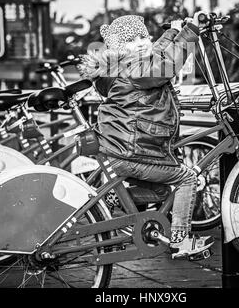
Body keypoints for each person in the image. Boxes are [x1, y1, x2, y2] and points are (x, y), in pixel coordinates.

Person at [77, 14, 214, 259]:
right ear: (119, 47)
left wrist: (173, 33)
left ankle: (108, 199)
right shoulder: (133, 69)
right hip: (130, 150)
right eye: (132, 40)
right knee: (187, 179)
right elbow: (166, 65)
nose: (141, 42)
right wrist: (190, 31)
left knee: (162, 192)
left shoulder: (126, 65)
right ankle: (180, 241)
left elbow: (157, 55)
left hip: (121, 149)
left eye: (143, 36)